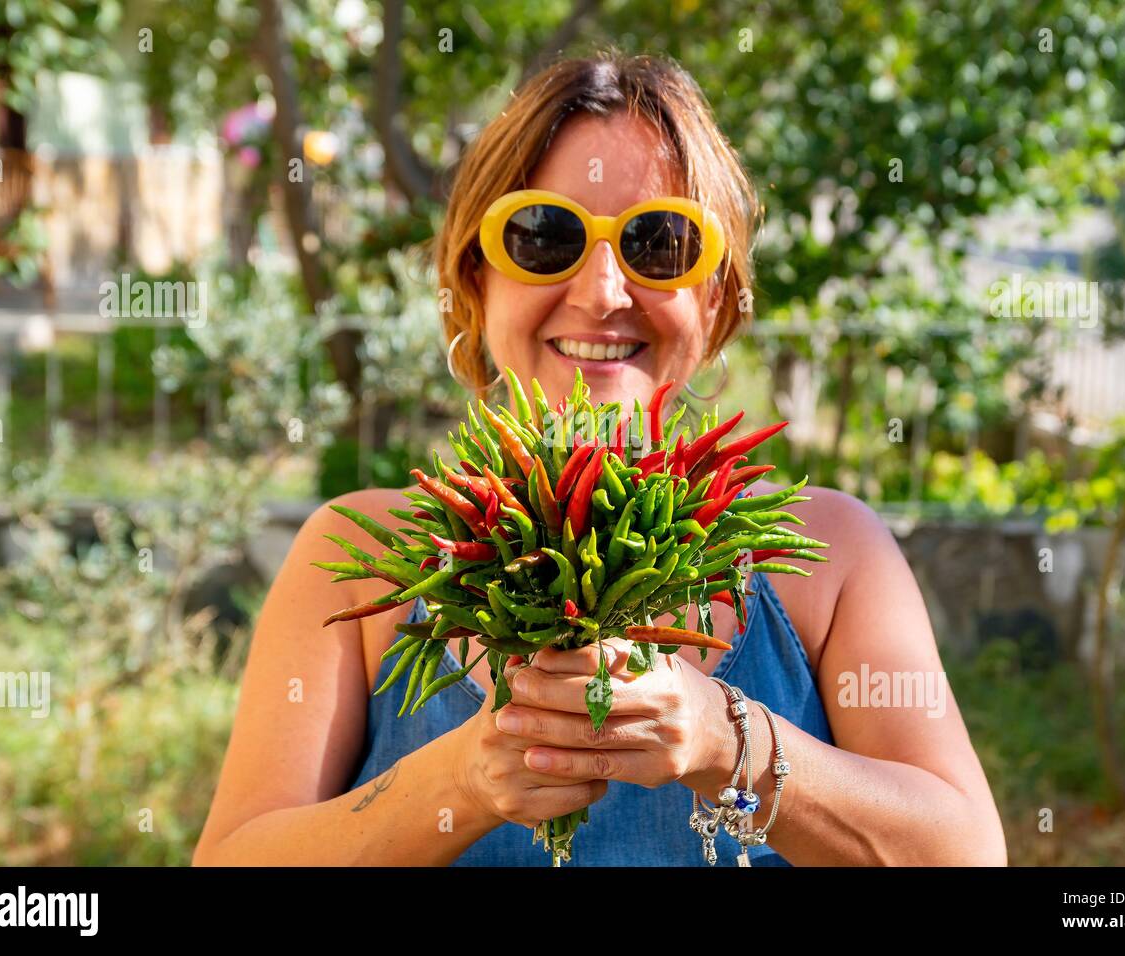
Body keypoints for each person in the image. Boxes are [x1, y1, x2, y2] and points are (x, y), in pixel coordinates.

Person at [193, 52, 1007, 866]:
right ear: (476, 284)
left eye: (660, 243)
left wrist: (728, 742)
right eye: (544, 236)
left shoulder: (831, 554)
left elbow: (966, 855)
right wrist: (461, 785)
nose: (603, 291)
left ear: (714, 297)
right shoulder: (362, 558)